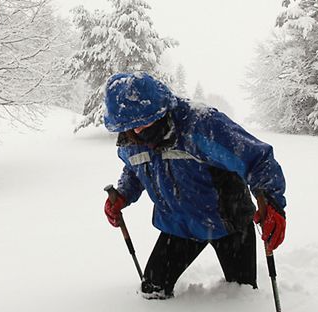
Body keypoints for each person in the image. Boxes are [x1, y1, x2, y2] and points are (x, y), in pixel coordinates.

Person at [101, 71, 287, 299]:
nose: (137, 131)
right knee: (152, 291)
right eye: (130, 126)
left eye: (143, 122)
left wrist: (271, 202)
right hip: (178, 226)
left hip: (229, 223)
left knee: (242, 295)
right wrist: (123, 194)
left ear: (160, 109)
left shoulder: (201, 125)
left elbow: (257, 159)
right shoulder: (131, 138)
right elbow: (135, 168)